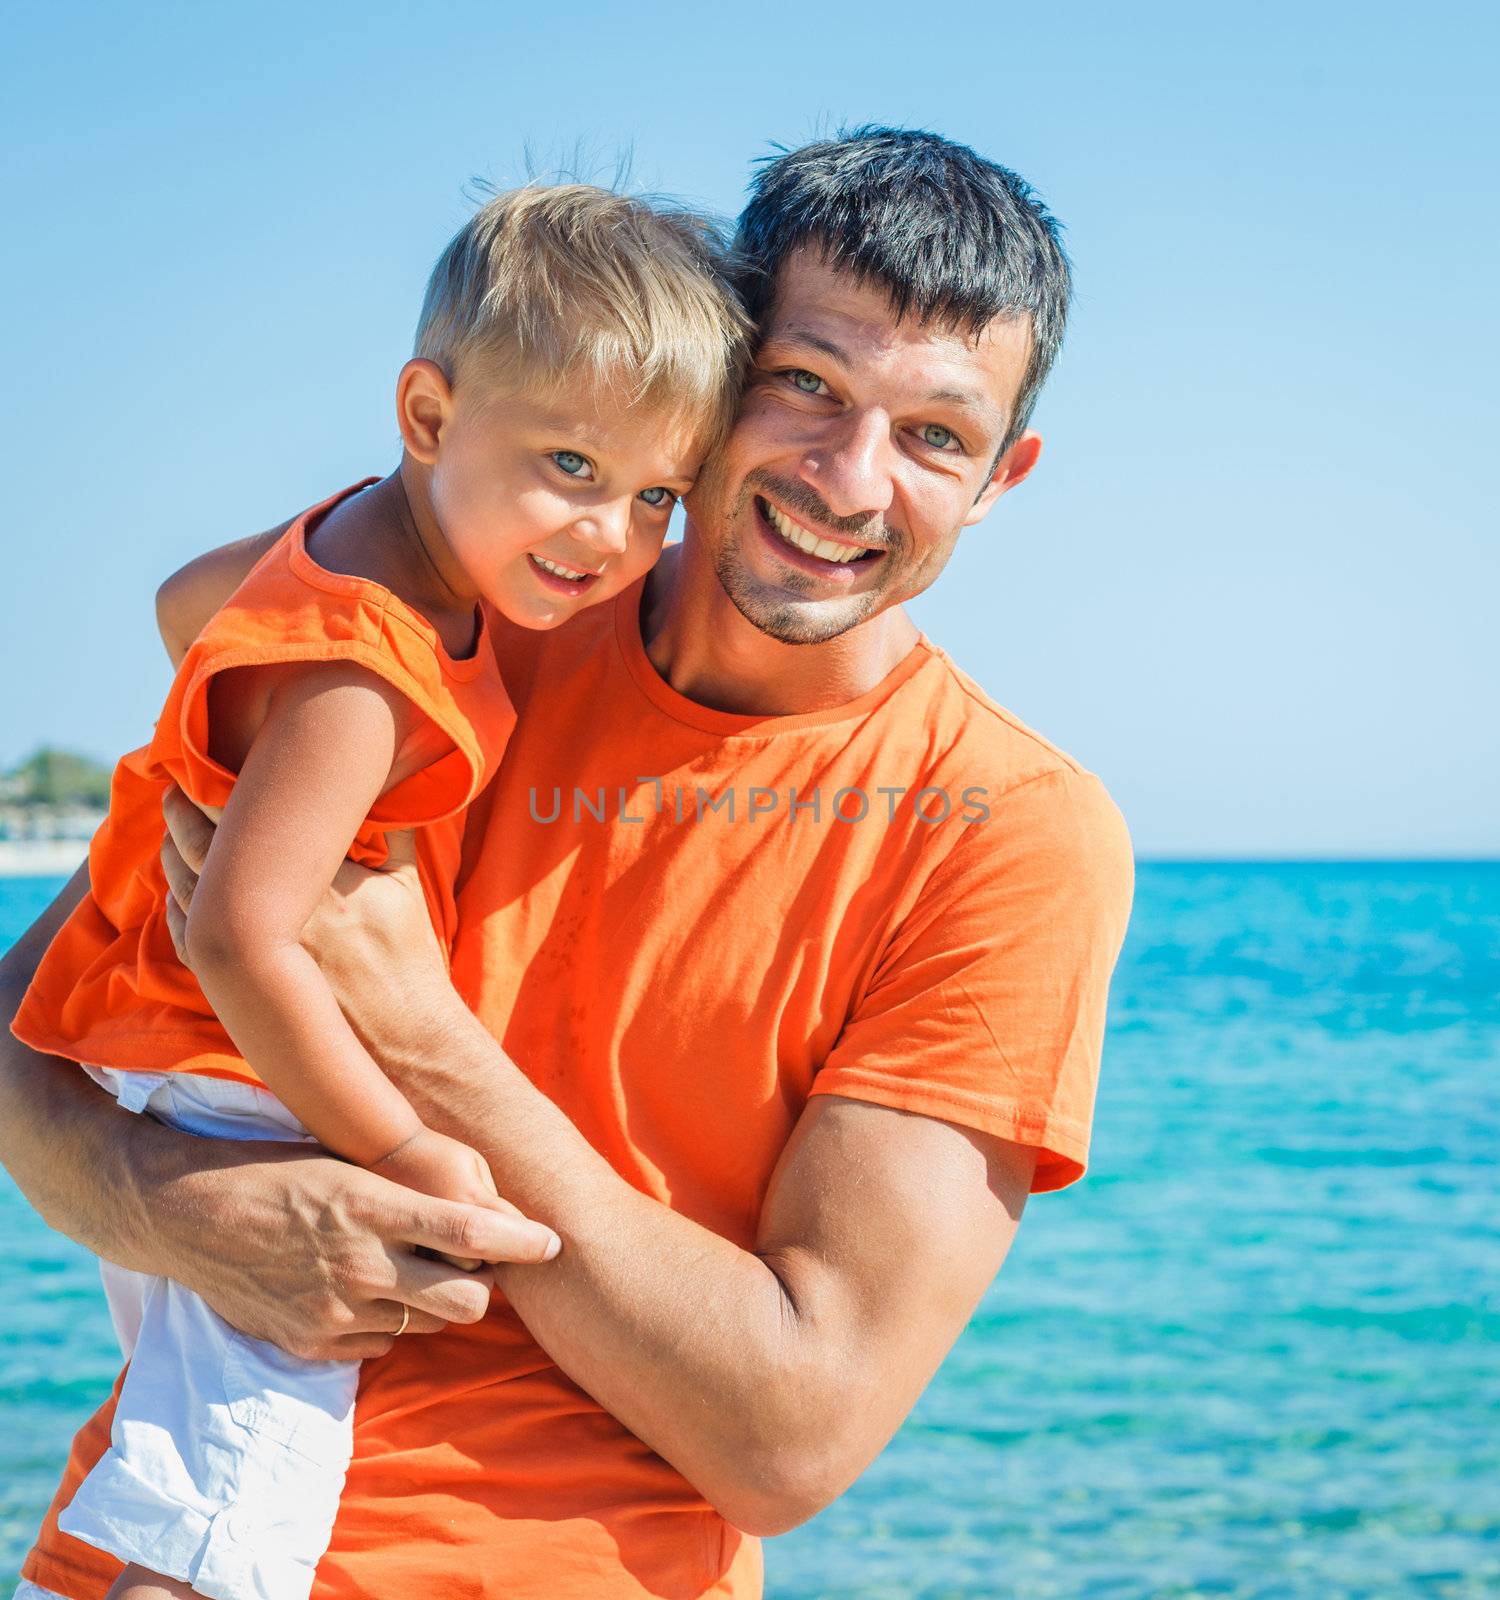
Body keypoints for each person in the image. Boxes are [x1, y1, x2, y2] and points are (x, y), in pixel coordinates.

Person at [2, 126, 1136, 1600]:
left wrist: (423, 1038)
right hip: (173, 1542)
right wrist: (169, 1205)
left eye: (935, 435)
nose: (853, 481)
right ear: (717, 383)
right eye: (808, 387)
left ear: (1002, 475)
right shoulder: (475, 607)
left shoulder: (1008, 831)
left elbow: (789, 1442)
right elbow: (38, 1026)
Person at [7, 184, 750, 1600]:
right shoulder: (370, 669)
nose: (609, 536)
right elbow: (240, 930)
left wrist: (232, 713)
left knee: (211, 1425)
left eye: (657, 496)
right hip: (234, 1073)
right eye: (572, 467)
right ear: (427, 415)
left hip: (173, 1052)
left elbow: (183, 599)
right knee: (245, 1469)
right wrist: (400, 1146)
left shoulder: (353, 538)